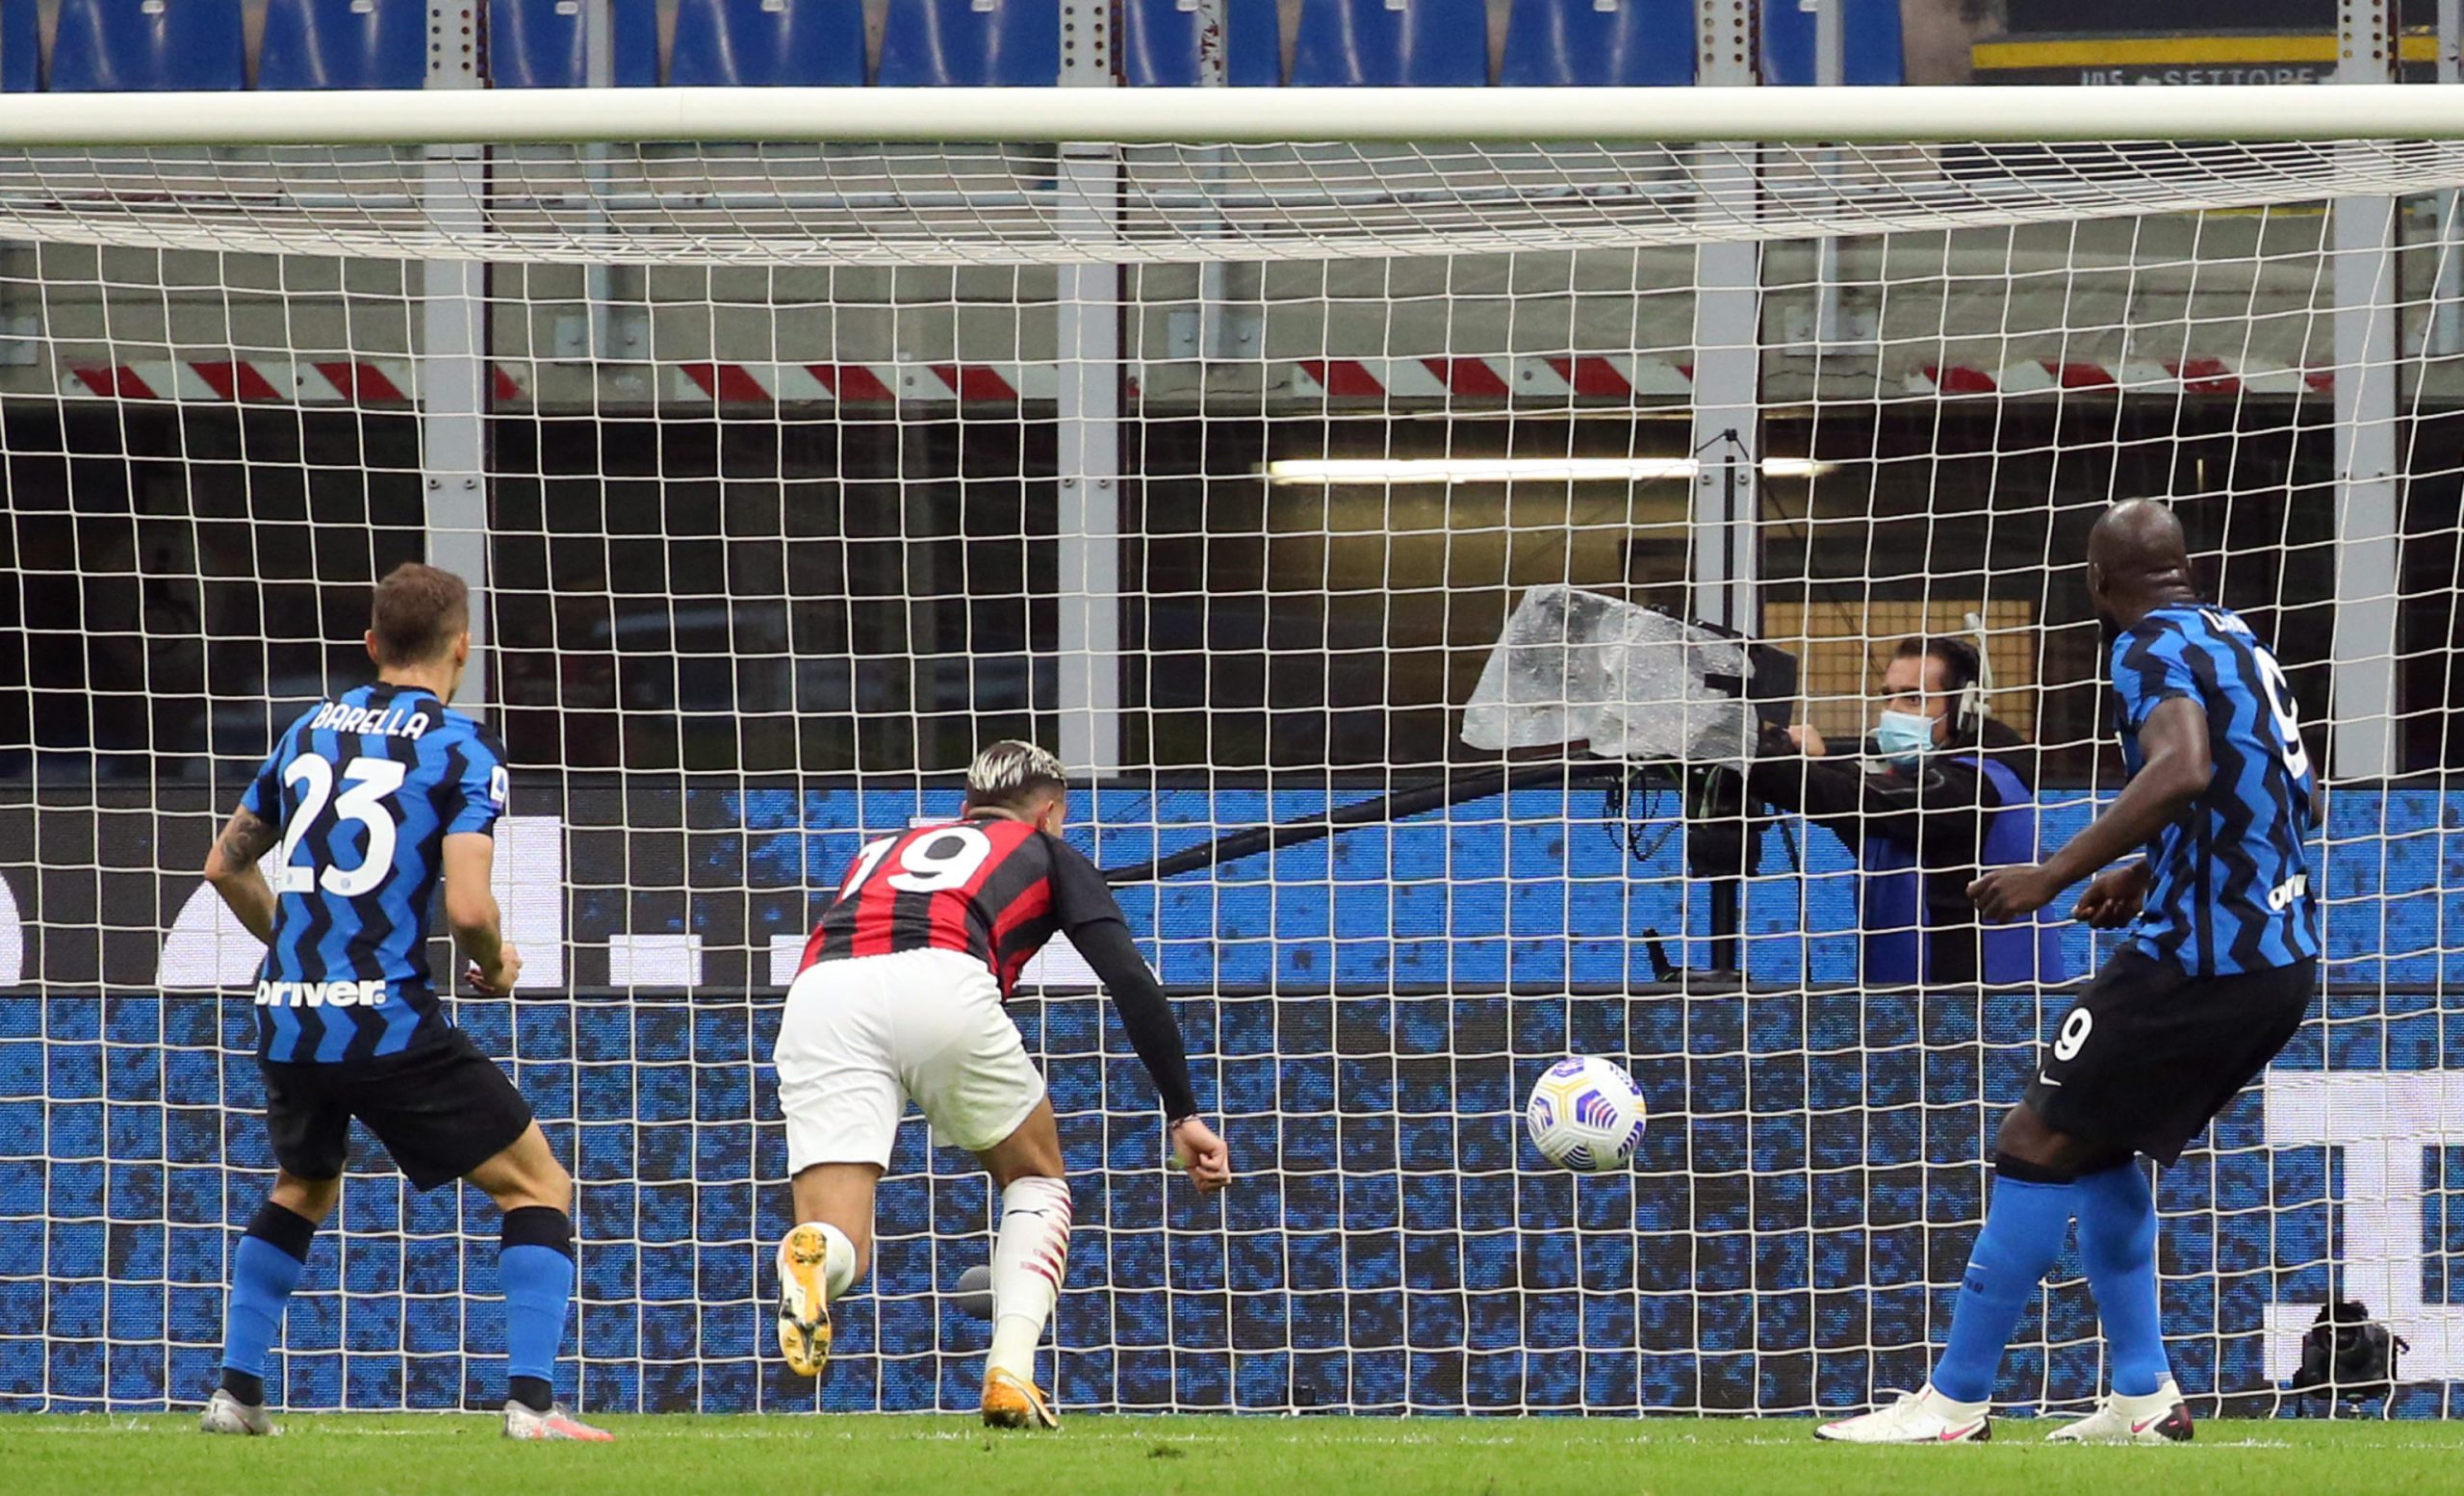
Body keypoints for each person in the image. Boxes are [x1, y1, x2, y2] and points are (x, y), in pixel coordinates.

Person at [1816, 500, 2321, 1445]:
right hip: (2276, 962)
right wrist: (2145, 868)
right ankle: (2142, 1395)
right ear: (2183, 567)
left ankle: (1953, 1402)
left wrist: (2052, 873)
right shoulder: (2239, 641)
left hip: (2197, 963)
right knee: (2098, 1146)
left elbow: (2178, 768)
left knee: (2037, 1138)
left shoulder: (2142, 650)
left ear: (2096, 584)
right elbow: (2296, 791)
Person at [196, 563, 608, 1442]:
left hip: (288, 1012)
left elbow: (225, 865)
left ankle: (235, 1395)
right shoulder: (461, 748)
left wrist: (297, 951)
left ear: (372, 646)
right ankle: (533, 1406)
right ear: (464, 648)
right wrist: (495, 966)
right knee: (537, 1183)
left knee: (304, 1183)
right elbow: (467, 907)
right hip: (382, 1016)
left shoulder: (306, 729)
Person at [771, 740, 1231, 1431]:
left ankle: (814, 1262)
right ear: (1049, 814)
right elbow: (1131, 980)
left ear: (965, 808)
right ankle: (1011, 1372)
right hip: (941, 981)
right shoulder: (1048, 851)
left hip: (822, 994)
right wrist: (1182, 1111)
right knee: (1036, 1178)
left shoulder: (888, 845)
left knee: (843, 1238)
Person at [1748, 634, 2066, 989]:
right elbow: (1873, 809)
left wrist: (1755, 760)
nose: (1894, 710)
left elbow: (1870, 802)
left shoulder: (1982, 782)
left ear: (1962, 706)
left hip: (1991, 1007)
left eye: (1914, 698)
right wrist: (1815, 763)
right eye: (1889, 696)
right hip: (1908, 1004)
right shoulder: (1922, 779)